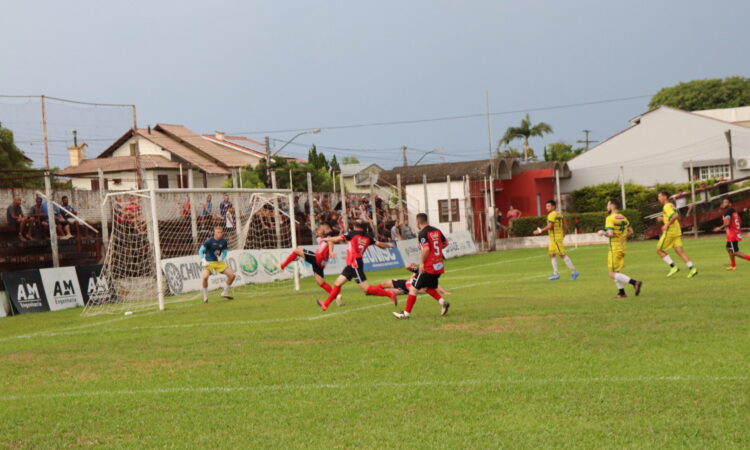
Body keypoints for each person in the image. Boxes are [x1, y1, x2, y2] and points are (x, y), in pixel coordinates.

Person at [315, 221, 397, 311]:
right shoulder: (368, 236)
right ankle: (325, 304)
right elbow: (379, 244)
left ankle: (389, 294)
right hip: (353, 263)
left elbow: (337, 239)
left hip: (354, 264)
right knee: (338, 283)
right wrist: (388, 245)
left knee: (366, 289)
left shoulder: (352, 233)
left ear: (354, 226)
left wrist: (327, 239)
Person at [393, 213, 450, 319]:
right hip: (438, 265)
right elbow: (446, 243)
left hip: (429, 267)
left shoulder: (423, 233)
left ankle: (406, 314)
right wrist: (435, 251)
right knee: (427, 287)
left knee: (413, 288)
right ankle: (443, 303)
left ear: (418, 222)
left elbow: (426, 248)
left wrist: (422, 263)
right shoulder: (436, 230)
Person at [280, 223, 341, 305]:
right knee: (320, 282)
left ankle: (282, 266)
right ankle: (336, 296)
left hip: (319, 258)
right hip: (322, 261)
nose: (319, 229)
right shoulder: (327, 235)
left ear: (325, 228)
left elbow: (330, 242)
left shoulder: (329, 235)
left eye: (320, 227)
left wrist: (330, 251)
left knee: (297, 250)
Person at [597, 199, 642, 298]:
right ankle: (622, 293)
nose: (607, 207)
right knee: (616, 272)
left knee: (611, 273)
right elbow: (631, 231)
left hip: (615, 248)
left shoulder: (610, 218)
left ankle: (635, 282)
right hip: (623, 247)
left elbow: (610, 234)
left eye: (608, 205)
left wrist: (602, 233)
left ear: (612, 206)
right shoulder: (623, 217)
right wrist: (622, 237)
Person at [533, 200, 580, 281]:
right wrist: (564, 233)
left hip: (555, 238)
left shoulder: (551, 215)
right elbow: (565, 224)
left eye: (548, 206)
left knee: (562, 255)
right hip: (554, 238)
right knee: (551, 254)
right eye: (546, 206)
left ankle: (574, 272)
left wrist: (540, 230)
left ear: (553, 206)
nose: (546, 208)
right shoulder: (559, 214)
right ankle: (555, 274)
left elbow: (550, 226)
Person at [656, 190, 697, 278]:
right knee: (679, 251)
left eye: (659, 196)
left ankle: (673, 267)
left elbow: (675, 216)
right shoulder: (671, 205)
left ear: (665, 197)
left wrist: (666, 224)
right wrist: (663, 219)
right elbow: (674, 217)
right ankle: (692, 268)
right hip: (676, 231)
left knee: (659, 250)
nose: (658, 198)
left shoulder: (666, 206)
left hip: (670, 232)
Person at [199, 226, 236, 303]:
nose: (219, 234)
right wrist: (203, 260)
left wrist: (221, 258)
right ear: (215, 233)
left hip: (218, 263)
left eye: (221, 232)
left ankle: (225, 292)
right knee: (205, 277)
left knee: (232, 276)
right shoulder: (209, 241)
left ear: (222, 233)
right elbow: (200, 251)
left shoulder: (224, 241)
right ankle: (205, 297)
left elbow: (225, 252)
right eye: (217, 232)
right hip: (209, 262)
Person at [713, 197, 750, 270]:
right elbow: (739, 221)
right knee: (728, 248)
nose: (723, 204)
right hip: (734, 233)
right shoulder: (733, 211)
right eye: (723, 202)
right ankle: (733, 265)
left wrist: (719, 228)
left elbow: (727, 223)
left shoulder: (728, 212)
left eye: (725, 202)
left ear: (730, 204)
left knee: (735, 252)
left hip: (732, 234)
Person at [380, 264, 451, 297]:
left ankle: (373, 292)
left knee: (388, 291)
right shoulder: (421, 270)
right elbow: (407, 267)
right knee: (384, 284)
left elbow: (436, 285)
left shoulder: (428, 277)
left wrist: (444, 292)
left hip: (408, 290)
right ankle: (372, 290)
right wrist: (411, 265)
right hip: (404, 282)